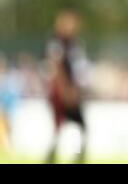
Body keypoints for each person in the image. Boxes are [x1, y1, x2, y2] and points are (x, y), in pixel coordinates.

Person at [45, 10, 89, 163]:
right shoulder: (57, 42)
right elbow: (56, 66)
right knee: (72, 125)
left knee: (68, 126)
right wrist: (65, 90)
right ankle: (57, 156)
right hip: (61, 91)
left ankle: (55, 156)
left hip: (68, 89)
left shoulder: (73, 43)